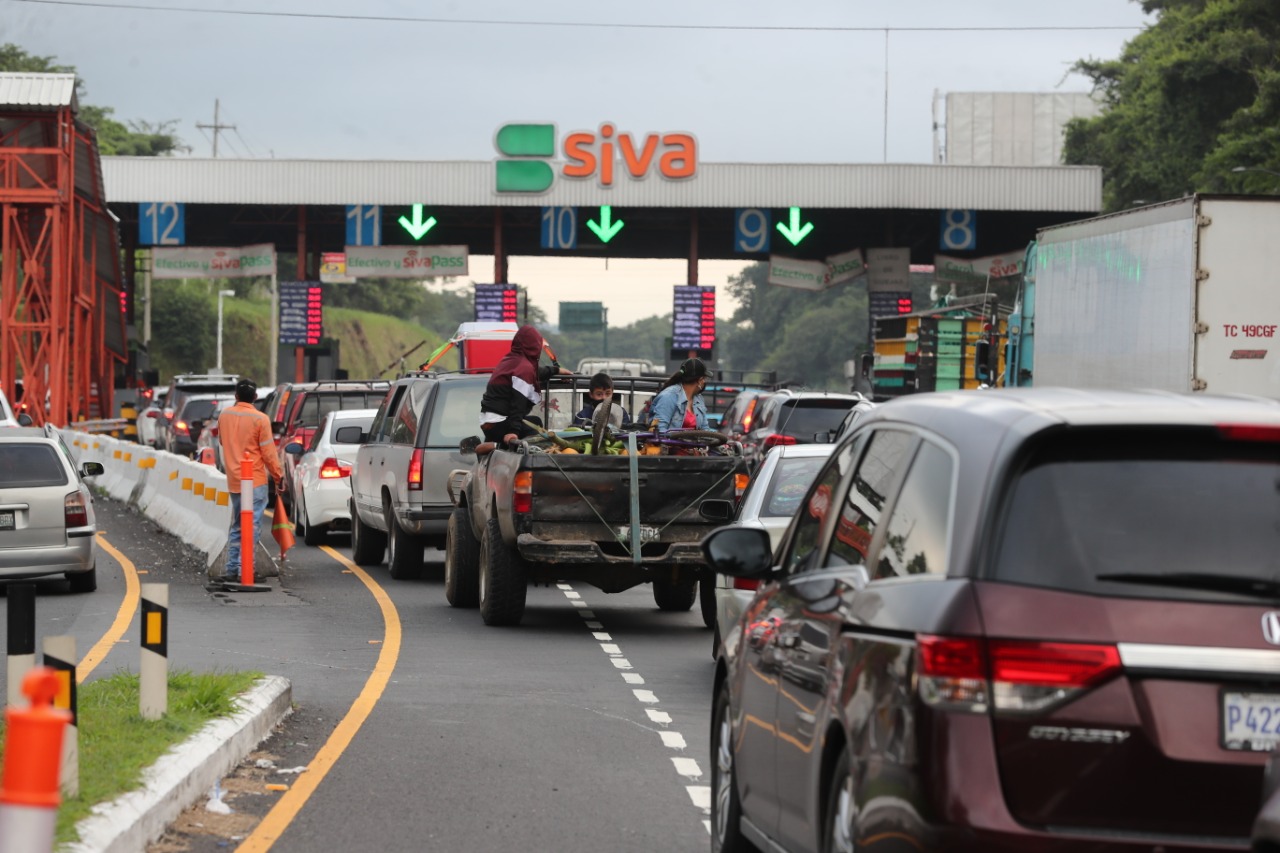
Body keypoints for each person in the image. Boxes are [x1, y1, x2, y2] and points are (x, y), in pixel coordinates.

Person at [218, 378, 284, 583]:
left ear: (236, 396)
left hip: (234, 481)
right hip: (254, 480)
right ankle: (245, 569)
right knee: (251, 526)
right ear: (255, 397)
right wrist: (278, 476)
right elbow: (268, 454)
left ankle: (232, 568)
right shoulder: (260, 419)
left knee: (238, 525)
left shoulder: (224, 415)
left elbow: (222, 441)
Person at [479, 325, 571, 445]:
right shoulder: (524, 368)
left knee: (536, 421)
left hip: (489, 420)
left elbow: (535, 372)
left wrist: (556, 370)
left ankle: (495, 446)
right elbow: (518, 403)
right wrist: (514, 431)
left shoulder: (511, 360)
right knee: (537, 435)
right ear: (534, 347)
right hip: (498, 421)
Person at [649, 357, 711, 432]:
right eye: (704, 379)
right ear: (700, 380)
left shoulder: (699, 399)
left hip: (694, 440)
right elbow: (659, 430)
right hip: (671, 440)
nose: (705, 382)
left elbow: (705, 429)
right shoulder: (668, 397)